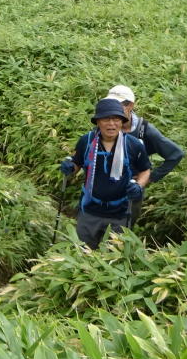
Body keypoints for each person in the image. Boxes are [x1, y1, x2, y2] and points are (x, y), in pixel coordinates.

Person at [61, 97, 151, 247]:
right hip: (89, 211)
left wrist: (139, 186)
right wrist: (70, 167)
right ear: (97, 122)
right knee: (82, 254)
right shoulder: (87, 141)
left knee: (113, 259)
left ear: (122, 122)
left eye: (116, 119)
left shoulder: (133, 145)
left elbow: (145, 170)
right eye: (106, 119)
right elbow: (77, 163)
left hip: (120, 213)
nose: (111, 124)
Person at [106, 84, 183, 223]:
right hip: (105, 189)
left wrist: (148, 179)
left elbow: (175, 154)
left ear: (130, 106)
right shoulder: (105, 125)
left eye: (117, 105)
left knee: (123, 231)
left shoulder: (144, 130)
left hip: (131, 192)